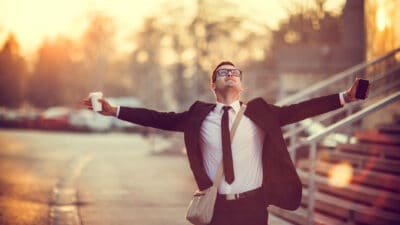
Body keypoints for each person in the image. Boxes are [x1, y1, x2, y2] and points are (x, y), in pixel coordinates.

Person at [83, 61, 369, 225]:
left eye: (235, 72)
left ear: (241, 85)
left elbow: (300, 109)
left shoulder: (260, 112)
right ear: (213, 85)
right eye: (223, 72)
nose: (230, 74)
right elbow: (160, 118)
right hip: (215, 208)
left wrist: (345, 96)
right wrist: (115, 111)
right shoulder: (198, 115)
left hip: (254, 206)